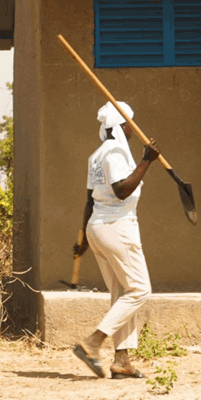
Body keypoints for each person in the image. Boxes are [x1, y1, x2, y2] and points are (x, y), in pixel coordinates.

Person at [72, 101, 161, 379]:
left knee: (122, 294)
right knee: (139, 290)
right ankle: (92, 343)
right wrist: (147, 160)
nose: (133, 130)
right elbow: (121, 190)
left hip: (98, 227)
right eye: (130, 125)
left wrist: (86, 239)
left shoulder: (96, 155)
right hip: (117, 226)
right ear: (123, 126)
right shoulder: (116, 152)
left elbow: (89, 200)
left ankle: (121, 360)